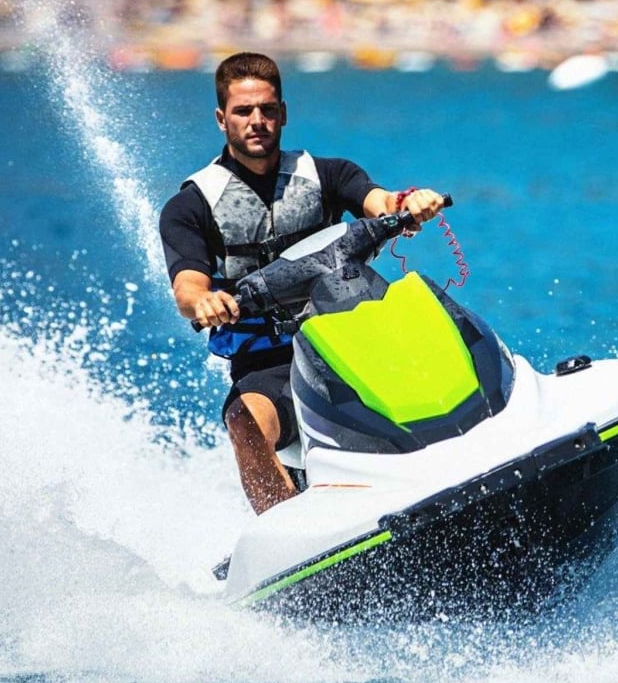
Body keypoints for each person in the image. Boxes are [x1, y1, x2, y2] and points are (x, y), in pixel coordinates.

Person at [160, 51, 445, 515]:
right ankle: (290, 533)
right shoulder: (191, 206)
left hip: (350, 333)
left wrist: (409, 203)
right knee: (245, 423)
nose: (257, 121)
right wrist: (205, 301)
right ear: (221, 118)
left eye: (268, 110)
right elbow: (187, 286)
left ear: (283, 113)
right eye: (243, 111)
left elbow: (379, 200)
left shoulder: (327, 175)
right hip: (270, 362)